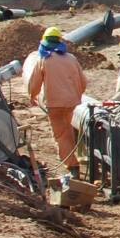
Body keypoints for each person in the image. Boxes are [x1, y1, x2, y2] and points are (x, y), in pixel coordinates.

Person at [26, 27, 85, 177]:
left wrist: (32, 96)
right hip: (71, 102)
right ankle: (74, 160)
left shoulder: (44, 60)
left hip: (55, 104)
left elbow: (35, 83)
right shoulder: (72, 59)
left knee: (61, 135)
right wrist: (76, 95)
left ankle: (72, 167)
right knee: (69, 132)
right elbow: (83, 82)